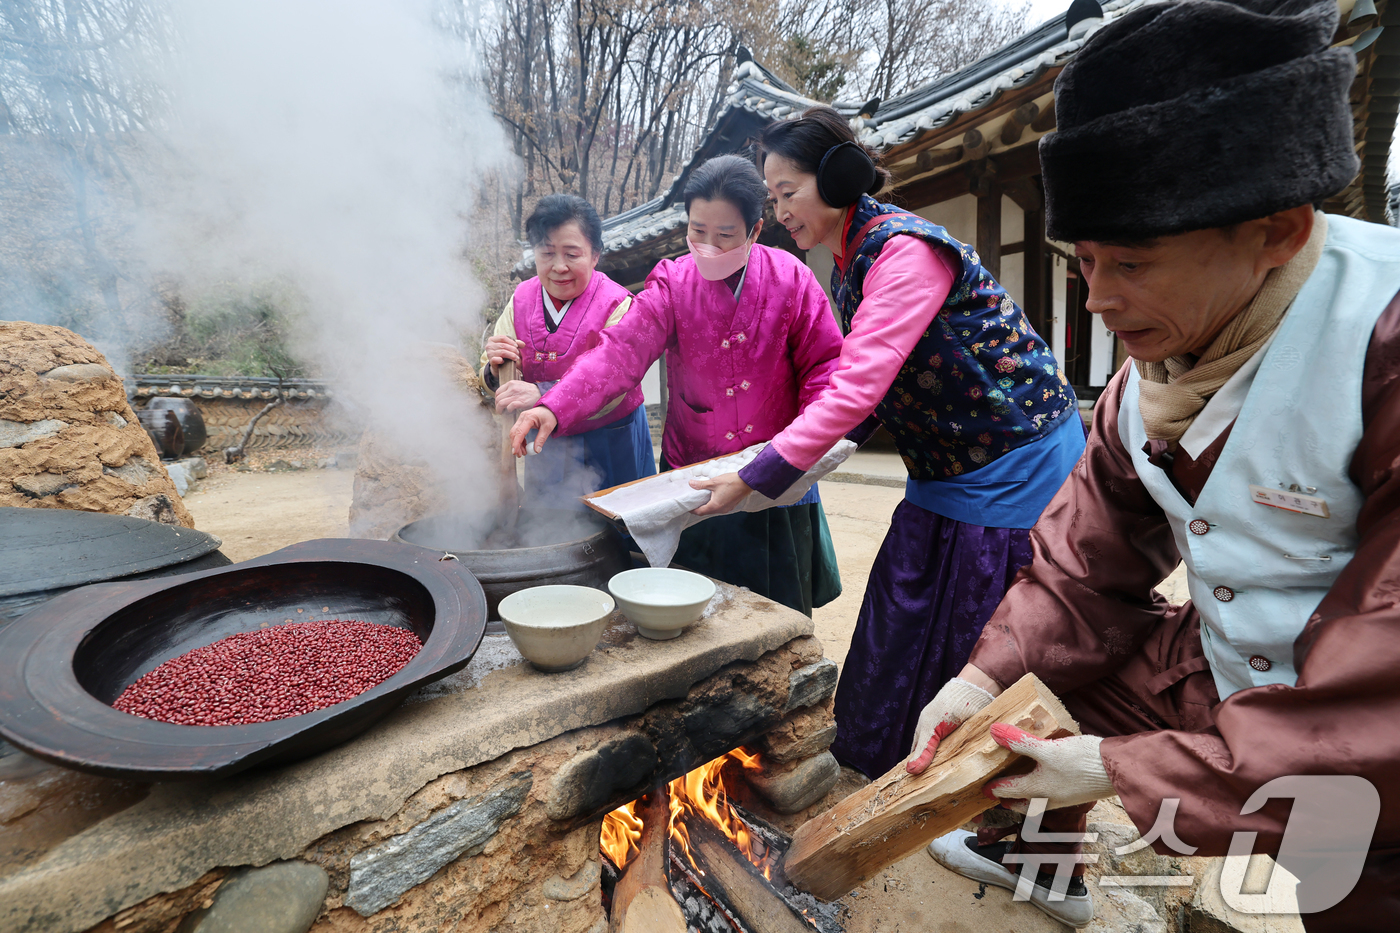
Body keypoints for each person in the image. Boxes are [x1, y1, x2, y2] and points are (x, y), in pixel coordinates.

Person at [906, 1, 1400, 928]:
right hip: (1234, 667)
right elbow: (1085, 566)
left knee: (1356, 876)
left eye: (1129, 262)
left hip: (1369, 716)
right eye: (1084, 260)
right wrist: (981, 683)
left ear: (1279, 232)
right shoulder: (1147, 378)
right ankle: (1047, 863)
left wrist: (1123, 771)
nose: (1097, 299)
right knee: (1052, 682)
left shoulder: (1383, 336)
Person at [694, 107, 1084, 780]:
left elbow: (855, 388)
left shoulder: (903, 250)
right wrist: (786, 462)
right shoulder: (852, 257)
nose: (780, 209)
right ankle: (891, 762)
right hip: (943, 465)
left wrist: (762, 472)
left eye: (788, 191)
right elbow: (870, 393)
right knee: (903, 603)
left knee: (976, 630)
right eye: (774, 196)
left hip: (1011, 459)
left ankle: (979, 792)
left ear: (839, 176)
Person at [509, 155, 844, 616]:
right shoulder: (672, 281)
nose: (707, 246)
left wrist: (802, 451)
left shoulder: (793, 280)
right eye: (696, 232)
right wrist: (553, 405)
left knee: (778, 613)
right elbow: (619, 353)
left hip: (774, 474)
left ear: (755, 231)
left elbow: (825, 369)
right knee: (696, 611)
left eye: (725, 236)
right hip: (695, 477)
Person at [481, 194, 655, 508]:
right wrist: (494, 371)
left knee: (615, 535)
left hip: (610, 440)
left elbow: (614, 381)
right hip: (547, 446)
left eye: (572, 254)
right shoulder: (521, 300)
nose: (559, 267)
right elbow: (494, 375)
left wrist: (542, 395)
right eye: (547, 253)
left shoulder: (619, 304)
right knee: (549, 528)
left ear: (595, 255)